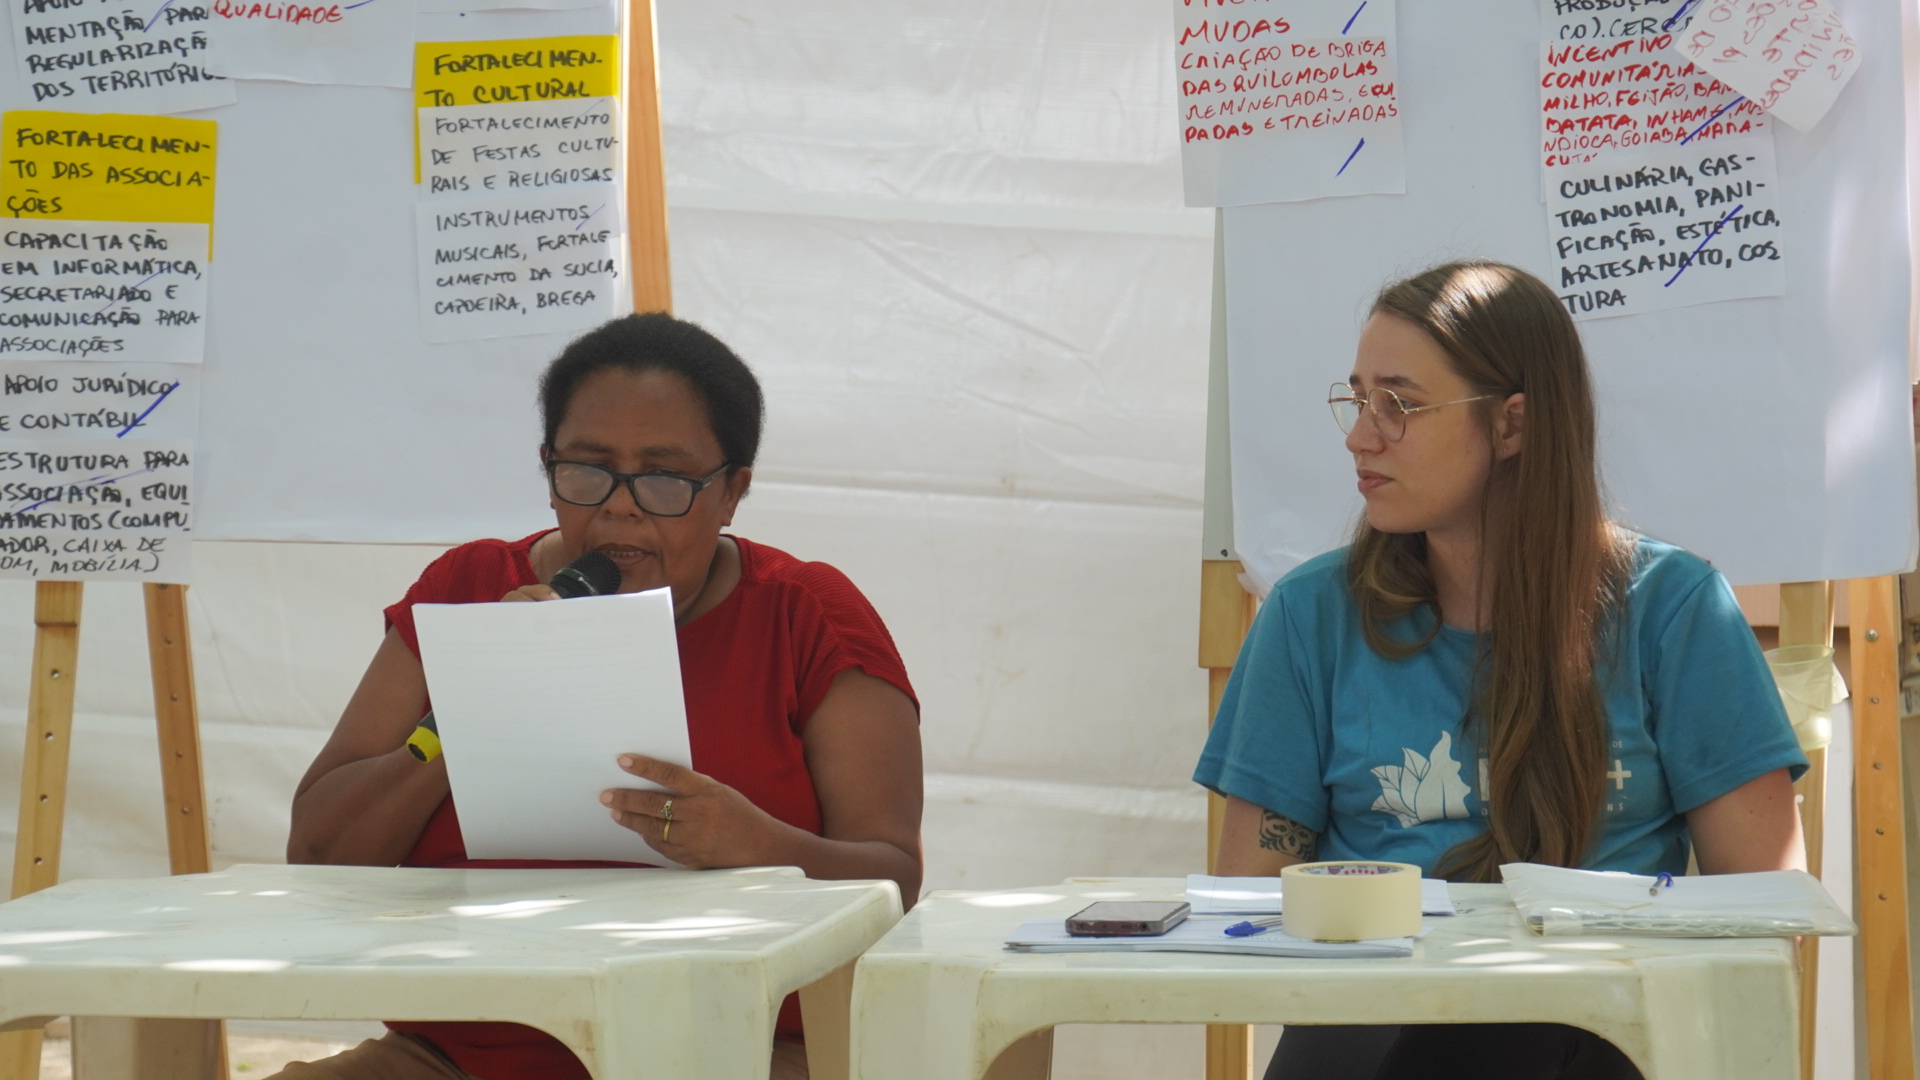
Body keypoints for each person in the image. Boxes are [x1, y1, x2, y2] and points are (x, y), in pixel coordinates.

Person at [1193, 262, 1807, 1080]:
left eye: (1399, 404)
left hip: (1594, 1026)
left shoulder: (1674, 609)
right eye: (1358, 399)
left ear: (1513, 424)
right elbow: (1246, 913)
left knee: (1514, 1030)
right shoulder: (1310, 615)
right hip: (1368, 1018)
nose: (1359, 437)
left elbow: (1767, 914)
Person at [278, 313, 924, 1080]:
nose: (620, 507)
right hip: (457, 1059)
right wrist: (471, 708)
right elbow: (319, 852)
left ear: (732, 492)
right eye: (587, 471)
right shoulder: (469, 590)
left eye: (664, 479)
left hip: (728, 1055)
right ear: (548, 470)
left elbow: (894, 877)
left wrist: (757, 848)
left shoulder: (806, 616)